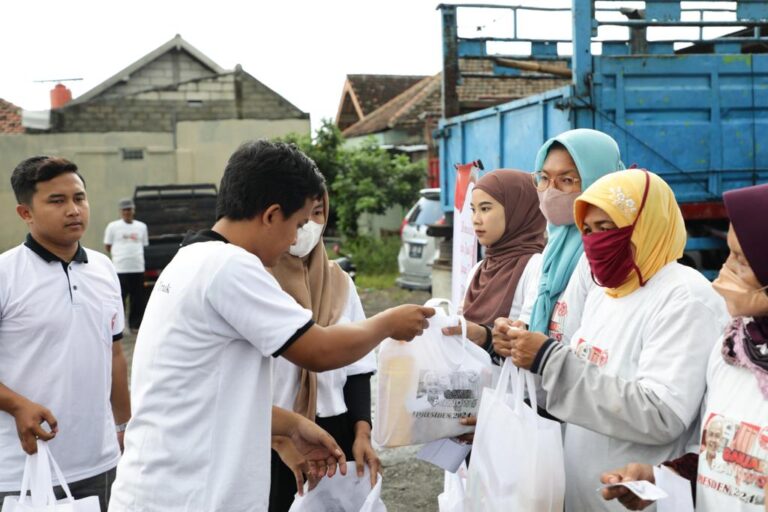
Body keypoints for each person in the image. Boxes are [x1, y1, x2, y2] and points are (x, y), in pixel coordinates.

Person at [108, 140, 434, 512]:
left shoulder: (191, 259)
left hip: (165, 487)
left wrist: (288, 426)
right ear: (271, 215)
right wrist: (388, 322)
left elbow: (203, 393)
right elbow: (320, 350)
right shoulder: (231, 267)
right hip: (192, 493)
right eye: (297, 224)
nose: (297, 238)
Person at [494, 169, 730, 511]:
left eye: (606, 228)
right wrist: (521, 351)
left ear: (646, 222)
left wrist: (548, 358)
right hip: (584, 498)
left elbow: (663, 415)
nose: (594, 241)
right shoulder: (607, 291)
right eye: (587, 230)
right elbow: (578, 389)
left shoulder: (686, 296)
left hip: (637, 501)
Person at [600, 183, 768, 511]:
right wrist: (662, 480)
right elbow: (713, 458)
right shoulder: (733, 351)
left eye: (741, 260)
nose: (725, 272)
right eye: (728, 254)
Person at [0, 156, 131, 512]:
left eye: (79, 198)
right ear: (25, 213)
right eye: (57, 201)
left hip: (100, 461)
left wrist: (125, 426)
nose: (74, 210)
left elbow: (114, 355)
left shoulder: (104, 270)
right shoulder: (6, 275)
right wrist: (17, 404)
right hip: (23, 467)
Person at [268, 192, 379, 510]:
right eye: (301, 214)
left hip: (335, 431)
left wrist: (362, 432)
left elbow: (358, 366)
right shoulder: (259, 282)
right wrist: (278, 442)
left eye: (318, 213)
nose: (308, 225)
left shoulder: (339, 282)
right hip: (278, 438)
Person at [527, 129, 625, 344]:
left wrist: (542, 354)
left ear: (599, 180)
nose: (551, 190)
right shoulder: (553, 248)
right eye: (544, 178)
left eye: (567, 180)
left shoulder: (607, 254)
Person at [442, 169, 546, 353]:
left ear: (518, 209)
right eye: (473, 210)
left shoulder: (536, 266)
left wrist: (484, 336)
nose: (476, 220)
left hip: (512, 379)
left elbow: (529, 340)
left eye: (485, 208)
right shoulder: (478, 269)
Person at [104, 197, 149, 332]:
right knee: (120, 298)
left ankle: (135, 325)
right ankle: (120, 326)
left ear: (133, 211)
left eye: (129, 209)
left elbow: (144, 244)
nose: (127, 212)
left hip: (137, 267)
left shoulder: (141, 227)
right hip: (120, 268)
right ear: (120, 212)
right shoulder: (113, 227)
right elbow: (108, 246)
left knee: (137, 299)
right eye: (124, 210)